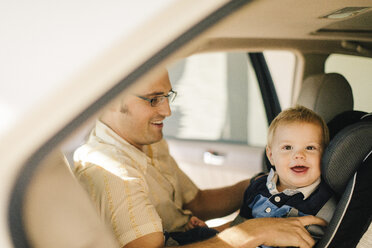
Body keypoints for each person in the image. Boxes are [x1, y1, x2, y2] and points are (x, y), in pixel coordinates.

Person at [73, 69, 327, 248]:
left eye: (167, 96)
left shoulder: (148, 141)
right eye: (153, 99)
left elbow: (197, 202)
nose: (167, 110)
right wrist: (247, 234)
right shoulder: (112, 173)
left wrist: (264, 184)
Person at [167, 106, 335, 246]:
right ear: (271, 156)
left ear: (325, 154)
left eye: (310, 148)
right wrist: (213, 231)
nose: (299, 155)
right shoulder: (259, 186)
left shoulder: (321, 199)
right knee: (188, 237)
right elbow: (240, 226)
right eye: (287, 148)